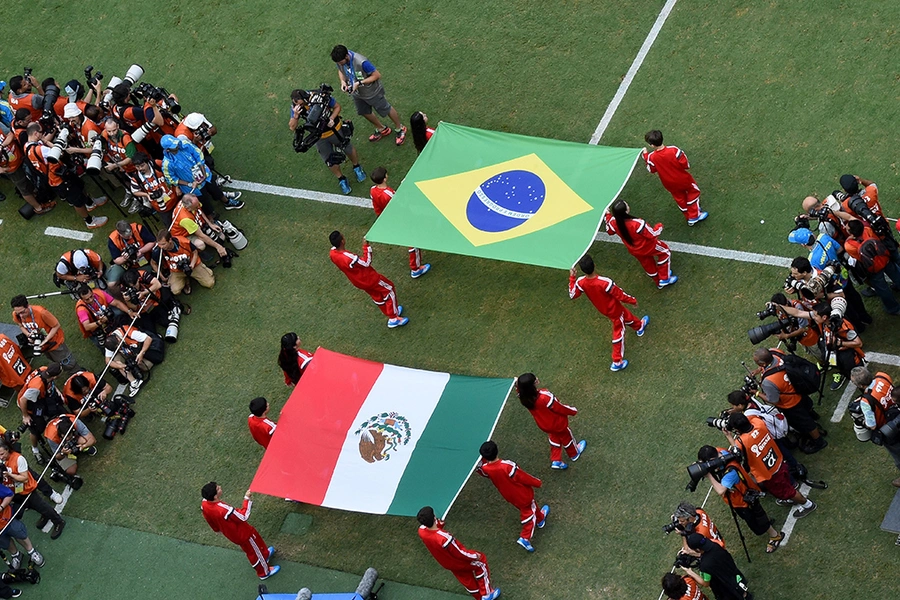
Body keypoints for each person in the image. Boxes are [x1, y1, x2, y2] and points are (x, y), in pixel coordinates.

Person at [725, 412, 818, 518]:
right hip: (778, 461)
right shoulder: (758, 423)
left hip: (769, 473)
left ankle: (808, 505)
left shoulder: (741, 442)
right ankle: (791, 494)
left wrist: (729, 437)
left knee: (787, 492)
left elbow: (736, 454)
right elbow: (751, 418)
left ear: (737, 429)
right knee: (786, 480)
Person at [697, 445, 784, 553]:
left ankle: (775, 536)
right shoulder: (721, 451)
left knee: (757, 520)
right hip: (742, 498)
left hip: (744, 501)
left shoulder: (730, 472)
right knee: (758, 516)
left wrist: (708, 475)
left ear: (712, 460)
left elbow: (721, 491)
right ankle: (767, 524)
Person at [569, 253, 649, 371]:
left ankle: (639, 326)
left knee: (625, 315)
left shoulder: (581, 282)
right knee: (619, 331)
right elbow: (620, 295)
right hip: (614, 310)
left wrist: (572, 278)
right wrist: (632, 301)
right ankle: (617, 361)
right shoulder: (605, 282)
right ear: (594, 265)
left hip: (605, 309)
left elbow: (572, 294)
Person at [24, 122, 108, 229]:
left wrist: (45, 141)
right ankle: (89, 221)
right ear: (35, 133)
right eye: (41, 132)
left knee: (79, 185)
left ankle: (90, 203)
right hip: (59, 178)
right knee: (76, 200)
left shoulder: (27, 146)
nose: (43, 134)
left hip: (58, 174)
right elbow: (59, 152)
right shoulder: (41, 149)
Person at [289, 88, 366, 195]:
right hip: (319, 136)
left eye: (301, 103)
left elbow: (337, 106)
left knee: (347, 147)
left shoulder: (320, 97)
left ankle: (357, 166)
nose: (299, 106)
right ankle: (341, 179)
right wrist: (296, 116)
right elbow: (292, 127)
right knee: (329, 159)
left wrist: (331, 118)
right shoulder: (295, 107)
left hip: (335, 129)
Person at [476, 441, 549, 552]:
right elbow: (522, 477)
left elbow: (483, 472)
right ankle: (525, 537)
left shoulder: (486, 468)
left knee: (529, 506)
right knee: (529, 512)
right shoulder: (507, 466)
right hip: (522, 493)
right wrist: (537, 483)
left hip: (508, 495)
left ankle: (540, 519)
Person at [416, 506, 500, 600]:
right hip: (459, 561)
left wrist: (439, 525)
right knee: (481, 563)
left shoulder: (421, 531)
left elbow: (430, 532)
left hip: (448, 564)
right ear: (434, 517)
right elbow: (459, 553)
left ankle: (479, 597)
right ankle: (487, 594)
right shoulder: (444, 538)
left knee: (466, 578)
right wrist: (475, 556)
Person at [751, 347, 826, 452]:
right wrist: (759, 370)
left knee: (806, 423)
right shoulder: (776, 352)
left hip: (790, 404)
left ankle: (819, 441)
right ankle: (814, 416)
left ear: (763, 363)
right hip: (799, 390)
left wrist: (757, 393)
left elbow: (773, 400)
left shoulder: (768, 381)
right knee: (807, 408)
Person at [200, 482, 279, 580]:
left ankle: (265, 555)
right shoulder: (223, 509)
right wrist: (247, 499)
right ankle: (264, 572)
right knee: (253, 552)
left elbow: (209, 519)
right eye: (218, 488)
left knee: (257, 543)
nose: (220, 487)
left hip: (236, 533)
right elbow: (243, 516)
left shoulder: (205, 504)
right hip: (243, 534)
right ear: (215, 496)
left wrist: (216, 529)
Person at [329, 231, 408, 328]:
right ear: (342, 241)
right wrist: (366, 246)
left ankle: (390, 312)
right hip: (370, 278)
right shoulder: (349, 258)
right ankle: (393, 317)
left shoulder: (332, 253)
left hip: (359, 282)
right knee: (389, 288)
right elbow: (366, 262)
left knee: (376, 296)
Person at [331, 45, 407, 145]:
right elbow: (341, 70)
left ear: (346, 56)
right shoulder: (341, 61)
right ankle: (381, 129)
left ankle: (400, 128)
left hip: (372, 92)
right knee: (363, 111)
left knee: (386, 108)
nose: (339, 64)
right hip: (357, 93)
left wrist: (360, 83)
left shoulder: (361, 62)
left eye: (340, 62)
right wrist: (343, 82)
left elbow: (377, 75)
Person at [370, 167, 430, 278]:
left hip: (387, 219)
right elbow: (401, 203)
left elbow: (377, 206)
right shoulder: (388, 193)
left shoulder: (373, 190)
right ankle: (416, 269)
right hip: (400, 219)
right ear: (384, 178)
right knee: (413, 241)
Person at [515, 373, 585, 469]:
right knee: (566, 436)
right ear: (533, 385)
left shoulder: (523, 397)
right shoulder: (544, 397)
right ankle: (574, 454)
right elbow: (559, 408)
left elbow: (519, 389)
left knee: (554, 437)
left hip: (544, 425)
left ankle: (556, 460)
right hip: (557, 423)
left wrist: (518, 383)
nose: (537, 379)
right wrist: (572, 411)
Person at [0, 439, 66, 539]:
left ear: (7, 449)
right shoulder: (2, 461)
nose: (1, 457)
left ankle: (58, 521)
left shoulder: (18, 459)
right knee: (33, 507)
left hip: (27, 490)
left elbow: (24, 478)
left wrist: (10, 475)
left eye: (2, 454)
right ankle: (45, 515)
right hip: (16, 492)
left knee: (41, 505)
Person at [604, 200, 677, 289]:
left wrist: (607, 215)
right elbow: (652, 234)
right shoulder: (637, 223)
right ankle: (664, 278)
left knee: (647, 264)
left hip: (634, 250)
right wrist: (659, 226)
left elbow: (609, 231)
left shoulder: (613, 223)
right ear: (626, 211)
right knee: (665, 253)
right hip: (649, 246)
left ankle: (658, 282)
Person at [160, 134, 243, 210]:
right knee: (204, 204)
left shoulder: (185, 144)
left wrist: (203, 174)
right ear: (167, 150)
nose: (177, 146)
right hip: (193, 186)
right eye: (174, 146)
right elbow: (172, 179)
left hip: (205, 175)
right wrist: (189, 184)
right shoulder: (166, 164)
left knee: (215, 189)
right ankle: (212, 218)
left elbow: (198, 155)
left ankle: (227, 202)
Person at [641, 130, 707, 225]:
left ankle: (688, 216)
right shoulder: (674, 150)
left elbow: (651, 169)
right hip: (683, 179)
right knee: (694, 192)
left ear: (652, 145)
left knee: (679, 198)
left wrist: (645, 155)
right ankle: (694, 215)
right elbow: (685, 164)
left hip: (668, 184)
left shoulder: (651, 157)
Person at [848, 367, 900, 487]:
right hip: (897, 414)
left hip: (890, 430)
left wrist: (862, 423)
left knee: (898, 455)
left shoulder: (866, 402)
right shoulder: (883, 376)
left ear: (860, 385)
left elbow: (872, 426)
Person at [10, 295, 81, 374]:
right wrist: (29, 335)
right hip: (43, 347)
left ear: (28, 305)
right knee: (54, 360)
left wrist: (46, 339)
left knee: (67, 362)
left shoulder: (41, 313)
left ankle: (79, 374)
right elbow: (21, 326)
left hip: (54, 343)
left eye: (23, 312)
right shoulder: (16, 315)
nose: (21, 316)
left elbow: (56, 325)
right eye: (18, 313)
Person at [16, 363, 69, 465]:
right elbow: (23, 400)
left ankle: (66, 432)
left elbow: (50, 384)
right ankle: (35, 450)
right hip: (30, 404)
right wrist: (26, 416)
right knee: (37, 429)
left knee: (59, 410)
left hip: (42, 397)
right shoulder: (36, 387)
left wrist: (57, 392)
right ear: (55, 376)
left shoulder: (44, 369)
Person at [810, 302, 865, 390]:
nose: (814, 317)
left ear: (824, 317)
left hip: (851, 359)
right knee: (849, 376)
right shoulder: (824, 323)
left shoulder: (842, 326)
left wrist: (840, 343)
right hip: (839, 358)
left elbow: (858, 343)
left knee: (861, 381)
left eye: (815, 315)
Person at [680, 534, 752, 600]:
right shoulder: (715, 545)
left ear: (697, 549)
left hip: (726, 587)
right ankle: (746, 595)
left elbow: (706, 583)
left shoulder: (705, 566)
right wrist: (690, 553)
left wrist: (689, 571)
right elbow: (707, 554)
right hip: (733, 573)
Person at [152, 230, 216, 295]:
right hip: (176, 271)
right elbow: (153, 263)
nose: (161, 246)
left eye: (163, 244)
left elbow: (195, 252)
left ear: (170, 240)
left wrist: (192, 264)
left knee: (210, 284)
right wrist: (162, 277)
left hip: (192, 266)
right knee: (175, 291)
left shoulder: (183, 241)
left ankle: (204, 270)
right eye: (159, 244)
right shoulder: (158, 251)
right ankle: (185, 281)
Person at [74, 284, 134, 349]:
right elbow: (87, 327)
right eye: (87, 299)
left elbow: (116, 303)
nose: (91, 300)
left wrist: (129, 312)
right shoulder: (81, 309)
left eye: (91, 296)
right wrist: (100, 322)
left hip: (106, 319)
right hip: (95, 329)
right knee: (104, 346)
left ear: (92, 291)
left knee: (119, 313)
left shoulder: (99, 293)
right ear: (82, 300)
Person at [0, 483, 45, 570]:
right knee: (5, 543)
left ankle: (31, 551)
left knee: (20, 534)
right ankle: (16, 555)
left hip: (7, 519)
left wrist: (1, 507)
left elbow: (9, 494)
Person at [107, 220, 156, 285]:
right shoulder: (113, 239)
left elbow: (152, 242)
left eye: (131, 234)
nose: (130, 237)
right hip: (127, 265)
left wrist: (141, 251)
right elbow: (116, 260)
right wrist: (125, 258)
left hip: (144, 260)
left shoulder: (138, 228)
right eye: (127, 237)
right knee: (112, 284)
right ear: (120, 234)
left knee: (145, 276)